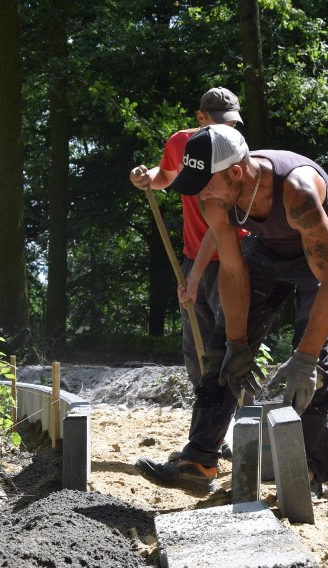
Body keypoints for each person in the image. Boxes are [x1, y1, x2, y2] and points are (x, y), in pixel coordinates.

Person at [135, 124, 328, 495]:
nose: (203, 193)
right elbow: (233, 271)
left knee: (312, 360)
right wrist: (237, 342)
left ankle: (311, 471)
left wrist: (305, 356)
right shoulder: (215, 198)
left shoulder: (296, 190)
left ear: (236, 172)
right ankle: (199, 460)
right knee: (222, 352)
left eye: (208, 183)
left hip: (317, 258)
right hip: (266, 251)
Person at [128, 87, 245, 460]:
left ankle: (222, 434)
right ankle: (212, 433)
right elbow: (166, 176)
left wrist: (193, 279)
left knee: (225, 347)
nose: (228, 129)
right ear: (200, 118)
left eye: (232, 122)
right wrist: (147, 178)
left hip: (231, 257)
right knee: (195, 351)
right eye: (221, 121)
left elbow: (221, 222)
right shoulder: (181, 144)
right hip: (194, 257)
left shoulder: (232, 149)